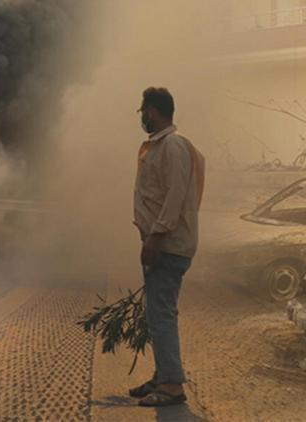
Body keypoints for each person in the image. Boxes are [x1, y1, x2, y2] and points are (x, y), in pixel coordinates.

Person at [130, 87, 205, 407]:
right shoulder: (161, 146)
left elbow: (174, 195)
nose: (142, 116)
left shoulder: (172, 145)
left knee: (161, 315)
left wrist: (157, 237)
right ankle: (163, 376)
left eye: (144, 110)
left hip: (167, 245)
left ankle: (172, 386)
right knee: (157, 314)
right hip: (162, 242)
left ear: (156, 111)